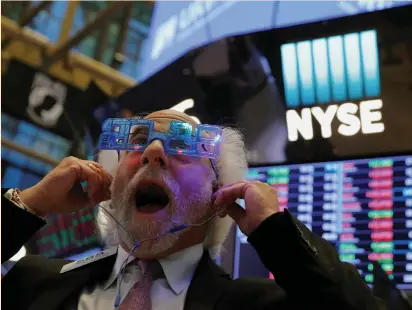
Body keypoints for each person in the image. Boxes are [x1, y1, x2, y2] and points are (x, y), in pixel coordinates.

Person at [2, 110, 383, 310]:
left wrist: (274, 229)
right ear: (111, 185)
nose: (153, 151)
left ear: (220, 193)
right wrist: (27, 203)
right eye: (137, 143)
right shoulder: (32, 282)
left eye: (183, 148)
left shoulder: (259, 305)